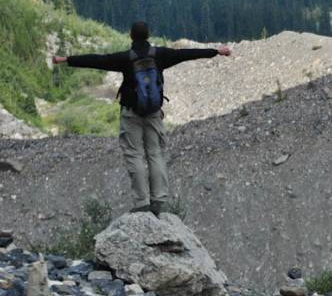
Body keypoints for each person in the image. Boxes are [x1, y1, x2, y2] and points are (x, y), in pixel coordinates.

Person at [53, 21, 231, 215]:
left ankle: (141, 203)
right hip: (154, 113)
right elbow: (186, 54)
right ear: (148, 36)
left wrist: (66, 59)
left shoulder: (124, 58)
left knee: (134, 154)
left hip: (131, 113)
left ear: (131, 37)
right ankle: (159, 201)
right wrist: (215, 51)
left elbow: (97, 60)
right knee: (155, 154)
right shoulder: (161, 55)